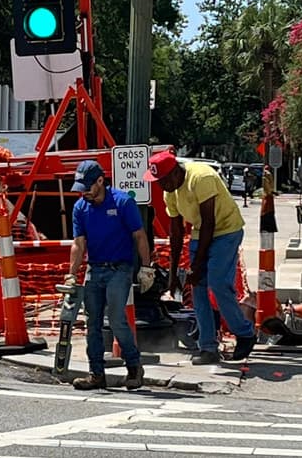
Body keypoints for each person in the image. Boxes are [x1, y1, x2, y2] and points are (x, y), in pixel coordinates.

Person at [144, 150, 256, 365]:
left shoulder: (201, 177)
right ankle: (208, 347)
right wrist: (174, 273)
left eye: (163, 180)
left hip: (226, 231)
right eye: (157, 182)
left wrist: (197, 263)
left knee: (218, 283)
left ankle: (245, 333)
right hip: (200, 234)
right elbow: (175, 232)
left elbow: (209, 223)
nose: (160, 186)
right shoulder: (171, 191)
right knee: (198, 288)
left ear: (175, 172)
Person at [66, 160, 152, 390]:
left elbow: (140, 236)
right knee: (91, 323)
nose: (83, 193)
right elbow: (78, 244)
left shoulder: (123, 202)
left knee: (116, 319)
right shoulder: (80, 208)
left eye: (87, 187)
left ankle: (134, 366)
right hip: (95, 269)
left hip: (119, 269)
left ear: (101, 182)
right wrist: (71, 274)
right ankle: (96, 374)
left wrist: (146, 267)